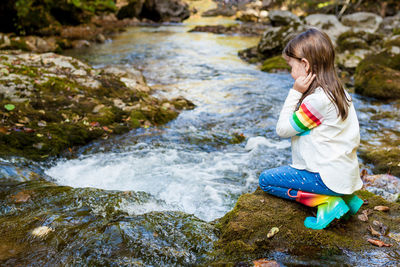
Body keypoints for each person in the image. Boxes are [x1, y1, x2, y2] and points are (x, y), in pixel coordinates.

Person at [258, 28, 364, 230]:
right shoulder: (341, 93)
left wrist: (295, 92)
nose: (291, 73)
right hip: (345, 175)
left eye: (291, 66)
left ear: (305, 65)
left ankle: (326, 202)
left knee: (266, 180)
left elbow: (282, 129)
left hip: (326, 178)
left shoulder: (316, 101)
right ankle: (346, 198)